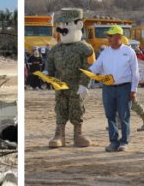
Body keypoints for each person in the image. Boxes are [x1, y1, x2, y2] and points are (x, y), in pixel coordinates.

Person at [45, 9, 94, 148]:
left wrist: (84, 85)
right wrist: (46, 74)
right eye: (60, 24)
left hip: (76, 85)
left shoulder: (85, 48)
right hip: (60, 85)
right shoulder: (56, 48)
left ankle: (78, 134)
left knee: (76, 108)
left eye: (66, 23)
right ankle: (59, 134)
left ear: (78, 25)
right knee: (60, 108)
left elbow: (88, 68)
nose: (61, 28)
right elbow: (50, 63)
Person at [88, 25, 138, 152]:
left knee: (124, 115)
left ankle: (124, 141)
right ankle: (113, 141)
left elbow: (135, 73)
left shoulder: (129, 51)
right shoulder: (105, 52)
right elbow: (96, 68)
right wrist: (86, 72)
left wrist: (134, 90)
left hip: (124, 88)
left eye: (110, 36)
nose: (108, 38)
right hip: (108, 88)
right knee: (110, 115)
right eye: (108, 36)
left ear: (119, 36)